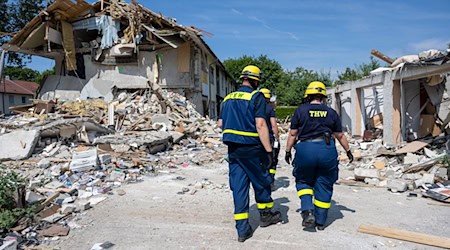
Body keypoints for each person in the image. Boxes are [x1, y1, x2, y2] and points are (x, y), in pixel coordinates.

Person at [219, 65, 281, 242]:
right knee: (261, 181)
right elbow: (261, 124)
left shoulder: (228, 98)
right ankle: (266, 215)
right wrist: (269, 151)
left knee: (238, 187)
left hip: (233, 150)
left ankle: (242, 230)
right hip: (253, 149)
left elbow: (221, 124)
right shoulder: (256, 96)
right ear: (255, 80)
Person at [284, 81, 353, 231]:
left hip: (305, 149)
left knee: (303, 180)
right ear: (322, 96)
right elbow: (340, 135)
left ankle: (308, 211)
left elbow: (293, 134)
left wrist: (288, 151)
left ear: (308, 96)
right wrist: (348, 151)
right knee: (325, 182)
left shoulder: (300, 111)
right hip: (326, 149)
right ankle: (321, 221)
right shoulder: (331, 112)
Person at [260, 88, 280, 190]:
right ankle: (270, 182)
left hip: (257, 138)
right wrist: (277, 137)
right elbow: (273, 125)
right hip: (269, 138)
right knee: (272, 160)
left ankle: (260, 181)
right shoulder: (269, 108)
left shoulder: (254, 107)